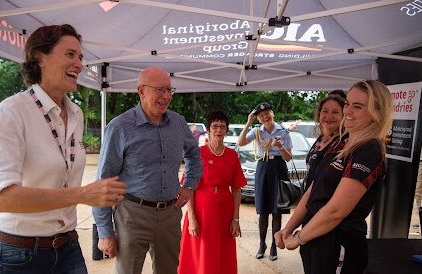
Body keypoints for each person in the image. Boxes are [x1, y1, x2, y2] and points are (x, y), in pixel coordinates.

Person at [0, 24, 127, 274]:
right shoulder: (13, 110)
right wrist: (81, 195)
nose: (79, 64)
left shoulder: (76, 113)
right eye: (70, 54)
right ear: (41, 58)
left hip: (67, 245)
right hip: (20, 254)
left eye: (80, 57)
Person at [275, 80, 393, 274]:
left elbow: (337, 210)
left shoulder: (369, 150)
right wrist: (290, 227)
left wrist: (299, 237)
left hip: (339, 244)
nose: (348, 111)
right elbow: (314, 189)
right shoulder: (341, 143)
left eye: (358, 106)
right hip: (315, 239)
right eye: (347, 103)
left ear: (376, 112)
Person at [92, 67, 202, 274]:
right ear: (141, 91)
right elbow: (103, 182)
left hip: (170, 215)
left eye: (170, 90)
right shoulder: (120, 127)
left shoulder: (178, 123)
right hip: (132, 215)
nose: (167, 96)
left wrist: (190, 186)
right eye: (160, 90)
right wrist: (105, 232)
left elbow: (194, 156)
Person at [178, 110, 246, 274]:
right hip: (201, 212)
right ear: (208, 129)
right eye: (215, 126)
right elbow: (189, 189)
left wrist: (235, 219)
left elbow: (237, 190)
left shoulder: (232, 155)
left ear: (227, 130)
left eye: (222, 126)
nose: (218, 130)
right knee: (200, 253)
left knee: (222, 254)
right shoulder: (198, 154)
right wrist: (192, 218)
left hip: (224, 213)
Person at [237, 102, 292, 261]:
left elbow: (288, 158)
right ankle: (262, 245)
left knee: (277, 210)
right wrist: (248, 122)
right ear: (258, 119)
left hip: (279, 169)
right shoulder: (256, 131)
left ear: (272, 113)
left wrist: (281, 147)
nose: (265, 117)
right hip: (263, 168)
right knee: (262, 210)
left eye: (267, 113)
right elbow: (241, 142)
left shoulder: (283, 132)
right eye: (261, 116)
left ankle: (274, 246)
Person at [304, 93, 347, 191]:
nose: (329, 116)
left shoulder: (343, 142)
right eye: (325, 111)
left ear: (343, 116)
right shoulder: (321, 138)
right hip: (309, 199)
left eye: (335, 112)